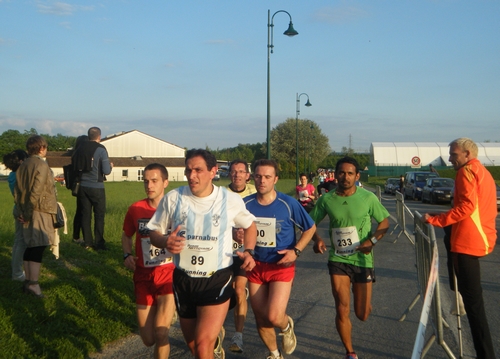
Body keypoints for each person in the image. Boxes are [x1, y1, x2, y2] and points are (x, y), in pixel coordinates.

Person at [146, 149, 257, 359]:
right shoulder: (173, 198)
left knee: (203, 344)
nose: (192, 175)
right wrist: (165, 241)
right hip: (184, 279)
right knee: (194, 345)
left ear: (213, 171)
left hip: (216, 278)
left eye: (198, 170)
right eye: (188, 170)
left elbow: (250, 226)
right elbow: (154, 232)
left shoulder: (229, 199)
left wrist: (249, 251)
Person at [309, 156, 390, 359]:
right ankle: (350, 352)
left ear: (357, 176)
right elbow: (309, 224)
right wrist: (316, 239)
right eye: (342, 173)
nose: (345, 177)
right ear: (335, 175)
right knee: (341, 307)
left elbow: (384, 223)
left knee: (362, 314)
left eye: (350, 173)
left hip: (363, 260)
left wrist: (372, 242)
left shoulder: (368, 198)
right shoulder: (327, 199)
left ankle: (364, 302)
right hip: (339, 259)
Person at [423, 138, 496, 359]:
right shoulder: (481, 171)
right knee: (473, 303)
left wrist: (437, 221)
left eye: (454, 154)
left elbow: (467, 207)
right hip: (476, 238)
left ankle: (486, 354)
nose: (450, 158)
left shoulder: (466, 172)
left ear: (467, 154)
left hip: (468, 242)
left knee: (475, 307)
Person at [244, 159, 316, 359]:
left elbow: (310, 228)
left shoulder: (288, 203)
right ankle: (275, 354)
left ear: (275, 179)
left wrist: (297, 250)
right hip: (255, 265)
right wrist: (237, 236)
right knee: (260, 317)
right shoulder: (246, 204)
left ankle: (286, 326)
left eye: (267, 177)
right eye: (258, 176)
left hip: (281, 265)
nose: (262, 181)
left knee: (274, 315)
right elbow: (235, 231)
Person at [121, 163, 176, 358]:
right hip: (143, 275)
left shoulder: (176, 209)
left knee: (161, 333)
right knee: (148, 339)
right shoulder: (135, 209)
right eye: (146, 181)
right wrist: (127, 255)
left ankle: (171, 309)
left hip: (168, 274)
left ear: (165, 182)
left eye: (154, 181)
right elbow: (126, 235)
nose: (149, 185)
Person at [14, 135, 58, 298]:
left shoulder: (23, 164)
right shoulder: (41, 164)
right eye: (45, 147)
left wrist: (21, 211)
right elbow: (36, 191)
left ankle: (28, 282)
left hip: (25, 210)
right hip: (39, 210)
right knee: (38, 246)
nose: (46, 150)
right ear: (41, 148)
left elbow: (17, 191)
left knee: (30, 246)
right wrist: (27, 212)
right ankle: (34, 284)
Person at [226, 159, 257, 353]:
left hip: (246, 251)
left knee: (238, 288)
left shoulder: (255, 192)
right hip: (224, 251)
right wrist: (232, 232)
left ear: (247, 175)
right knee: (223, 294)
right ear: (229, 174)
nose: (237, 175)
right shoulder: (221, 194)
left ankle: (238, 336)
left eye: (241, 172)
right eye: (234, 171)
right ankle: (215, 331)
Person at [73, 127, 113, 251]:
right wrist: (110, 166)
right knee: (99, 215)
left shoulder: (80, 148)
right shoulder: (101, 149)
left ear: (89, 135)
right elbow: (106, 170)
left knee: (85, 214)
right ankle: (99, 243)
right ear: (99, 137)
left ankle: (87, 242)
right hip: (96, 186)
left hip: (83, 186)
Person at [3, 149, 29, 281]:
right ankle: (17, 273)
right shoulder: (19, 176)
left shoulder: (13, 175)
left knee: (19, 242)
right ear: (20, 161)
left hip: (17, 209)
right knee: (21, 243)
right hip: (21, 211)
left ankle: (18, 271)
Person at [71, 135, 89, 245]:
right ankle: (83, 237)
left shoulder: (74, 154)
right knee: (84, 212)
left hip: (77, 185)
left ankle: (76, 236)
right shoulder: (83, 155)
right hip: (84, 184)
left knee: (79, 211)